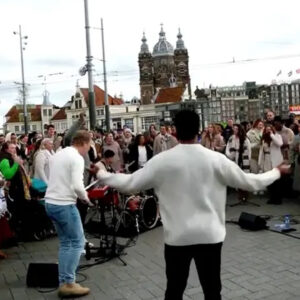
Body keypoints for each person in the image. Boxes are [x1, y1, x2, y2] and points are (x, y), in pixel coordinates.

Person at [92, 110, 288, 300]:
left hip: (178, 238)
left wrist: (101, 175)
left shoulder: (161, 161)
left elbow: (129, 183)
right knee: (212, 291)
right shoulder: (216, 160)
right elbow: (250, 182)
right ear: (199, 130)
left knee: (175, 291)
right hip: (210, 236)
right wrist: (276, 172)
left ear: (175, 132)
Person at [45, 131, 92, 298]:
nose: (89, 149)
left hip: (50, 203)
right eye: (89, 145)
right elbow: (78, 186)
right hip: (64, 204)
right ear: (84, 143)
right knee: (78, 242)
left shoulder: (58, 154)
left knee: (66, 243)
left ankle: (64, 282)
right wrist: (86, 198)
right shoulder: (77, 158)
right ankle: (69, 282)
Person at [258, 125, 284, 204]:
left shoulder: (277, 136)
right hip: (267, 160)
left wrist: (272, 135)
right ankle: (272, 197)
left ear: (272, 130)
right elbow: (261, 152)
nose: (268, 131)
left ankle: (278, 199)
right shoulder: (264, 139)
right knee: (269, 181)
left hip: (276, 161)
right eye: (267, 130)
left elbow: (280, 144)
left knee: (276, 181)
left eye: (270, 129)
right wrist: (260, 162)